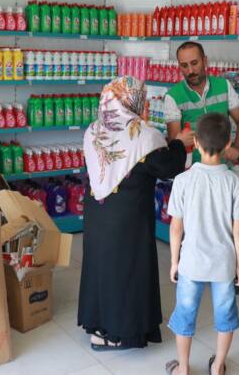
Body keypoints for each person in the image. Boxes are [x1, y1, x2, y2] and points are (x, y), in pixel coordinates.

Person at [78, 76, 192, 351]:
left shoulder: (94, 129)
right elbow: (168, 167)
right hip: (127, 218)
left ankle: (99, 324)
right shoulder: (142, 134)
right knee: (126, 271)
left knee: (102, 267)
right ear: (133, 100)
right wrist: (178, 143)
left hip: (97, 211)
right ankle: (118, 333)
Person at [164, 113, 239, 375]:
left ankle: (183, 368)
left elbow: (176, 227)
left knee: (185, 315)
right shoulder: (235, 183)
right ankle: (218, 366)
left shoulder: (182, 180)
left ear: (196, 143)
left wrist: (174, 262)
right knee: (225, 317)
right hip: (224, 264)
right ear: (227, 145)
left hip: (191, 263)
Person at [164, 41, 239, 164]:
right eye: (184, 65)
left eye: (194, 63)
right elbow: (174, 141)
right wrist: (179, 141)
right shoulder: (173, 96)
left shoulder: (224, 86)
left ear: (205, 61)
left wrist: (238, 147)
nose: (190, 70)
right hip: (191, 168)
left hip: (221, 165)